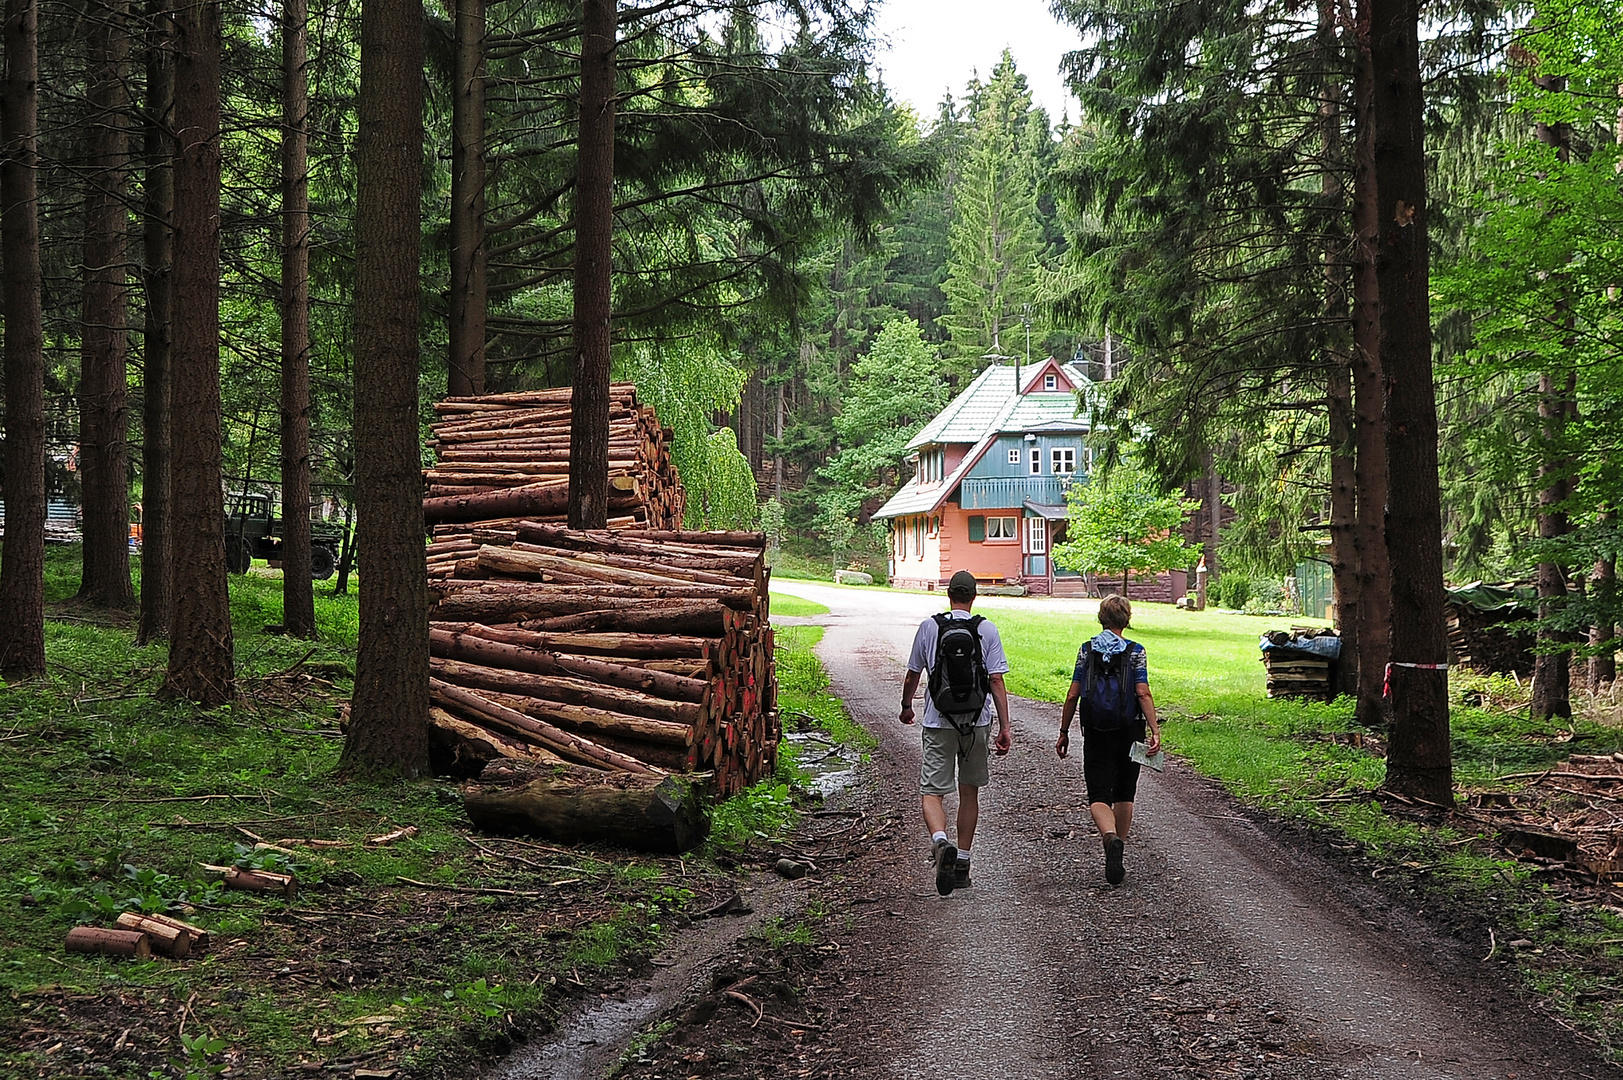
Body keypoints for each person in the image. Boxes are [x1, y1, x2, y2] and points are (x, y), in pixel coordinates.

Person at [899, 569, 1013, 896]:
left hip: (938, 722)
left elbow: (912, 674)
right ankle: (962, 862)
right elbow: (996, 681)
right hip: (977, 721)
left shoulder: (929, 627)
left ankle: (939, 842)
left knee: (932, 791)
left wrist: (907, 705)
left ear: (948, 595)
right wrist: (1004, 726)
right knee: (969, 793)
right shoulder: (986, 629)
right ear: (973, 597)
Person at [1055, 594, 1162, 886]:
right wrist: (1154, 729)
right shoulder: (1136, 651)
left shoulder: (1086, 650)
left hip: (1096, 729)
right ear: (1127, 620)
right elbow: (1143, 692)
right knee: (1125, 792)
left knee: (1099, 793)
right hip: (1131, 728)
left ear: (1101, 618)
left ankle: (1109, 837)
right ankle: (1119, 850)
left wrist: (1064, 731)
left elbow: (1073, 694)